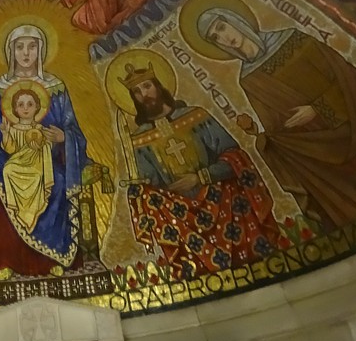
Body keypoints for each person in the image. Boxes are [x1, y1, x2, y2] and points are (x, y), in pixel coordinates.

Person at [197, 7, 356, 231]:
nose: (224, 38)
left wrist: (318, 108)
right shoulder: (248, 80)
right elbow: (279, 130)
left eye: (222, 27)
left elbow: (348, 77)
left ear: (237, 20)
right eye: (215, 38)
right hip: (318, 159)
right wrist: (263, 138)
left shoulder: (295, 41)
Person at [116, 61, 281, 279]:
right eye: (137, 92)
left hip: (224, 206)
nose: (144, 94)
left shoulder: (196, 116)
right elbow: (151, 186)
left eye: (147, 86)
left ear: (158, 85)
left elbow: (234, 157)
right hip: (182, 219)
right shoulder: (139, 140)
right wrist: (139, 192)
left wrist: (201, 177)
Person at [0, 24, 91, 278]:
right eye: (20, 47)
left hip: (47, 162)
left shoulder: (55, 87)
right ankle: (3, 262)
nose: (26, 53)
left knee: (59, 183)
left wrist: (64, 137)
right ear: (10, 51)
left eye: (32, 46)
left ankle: (54, 258)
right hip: (2, 161)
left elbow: (73, 129)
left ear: (41, 50)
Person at [0, 89, 55, 234]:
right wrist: (5, 133)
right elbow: (10, 149)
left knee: (37, 177)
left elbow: (48, 146)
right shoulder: (13, 129)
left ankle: (31, 214)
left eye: (30, 104)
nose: (25, 108)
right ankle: (14, 206)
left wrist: (41, 146)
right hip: (17, 163)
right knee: (7, 170)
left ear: (37, 107)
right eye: (21, 104)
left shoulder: (40, 129)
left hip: (36, 164)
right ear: (15, 108)